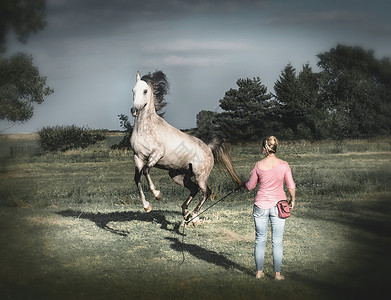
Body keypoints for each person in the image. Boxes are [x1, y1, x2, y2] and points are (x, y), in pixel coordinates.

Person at [243, 136, 295, 280]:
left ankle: (259, 272)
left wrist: (243, 183)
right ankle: (277, 274)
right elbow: (291, 186)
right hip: (279, 206)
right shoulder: (284, 165)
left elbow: (250, 186)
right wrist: (292, 199)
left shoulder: (258, 165)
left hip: (260, 205)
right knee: (277, 241)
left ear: (263, 149)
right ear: (275, 148)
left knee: (260, 239)